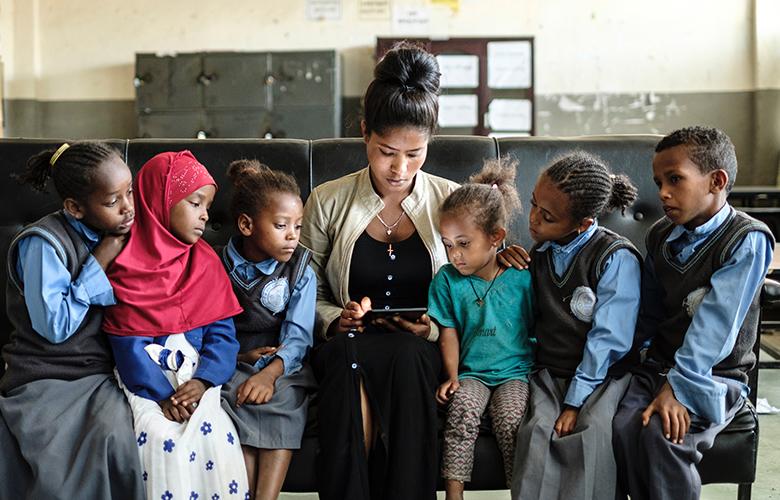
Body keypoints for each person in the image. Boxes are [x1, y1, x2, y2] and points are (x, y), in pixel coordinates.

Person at [300, 41, 458, 500]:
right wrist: (335, 319)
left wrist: (434, 326)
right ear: (365, 131)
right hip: (344, 341)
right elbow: (302, 289)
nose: (400, 169)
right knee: (350, 358)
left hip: (420, 345)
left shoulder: (451, 200)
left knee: (408, 355)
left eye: (415, 153)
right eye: (388, 151)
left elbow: (474, 286)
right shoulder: (328, 200)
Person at [612, 126, 774, 500]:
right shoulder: (658, 235)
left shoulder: (747, 239)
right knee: (620, 427)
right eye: (658, 182)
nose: (663, 193)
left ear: (716, 181)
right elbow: (648, 314)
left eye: (675, 180)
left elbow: (715, 327)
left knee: (665, 436)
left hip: (715, 375)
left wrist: (678, 391)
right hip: (658, 366)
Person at [0, 141, 144, 499]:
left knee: (120, 437)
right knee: (69, 455)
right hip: (45, 372)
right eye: (113, 202)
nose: (128, 208)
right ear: (75, 208)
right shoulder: (43, 244)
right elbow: (54, 327)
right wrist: (101, 260)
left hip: (99, 370)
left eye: (130, 192)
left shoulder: (124, 232)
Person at [102, 150, 248, 500]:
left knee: (213, 432)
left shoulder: (207, 263)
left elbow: (223, 336)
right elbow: (128, 345)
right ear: (159, 203)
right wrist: (164, 396)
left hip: (198, 378)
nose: (204, 216)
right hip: (147, 382)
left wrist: (202, 381)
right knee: (158, 436)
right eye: (195, 203)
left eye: (208, 207)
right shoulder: (125, 265)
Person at [511, 152, 642, 500]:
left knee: (592, 432)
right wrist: (500, 265)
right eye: (533, 204)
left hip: (604, 375)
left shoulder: (615, 257)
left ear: (582, 224)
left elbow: (608, 341)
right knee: (537, 432)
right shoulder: (539, 255)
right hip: (550, 372)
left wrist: (574, 402)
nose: (533, 221)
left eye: (547, 216)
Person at [429, 158, 535, 500]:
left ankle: (520, 492)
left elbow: (539, 327)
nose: (454, 255)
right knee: (461, 412)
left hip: (515, 372)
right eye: (447, 244)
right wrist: (452, 376)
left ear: (496, 238)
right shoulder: (446, 280)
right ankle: (453, 495)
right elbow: (448, 331)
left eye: (463, 243)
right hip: (472, 373)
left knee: (510, 420)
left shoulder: (521, 277)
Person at [219, 159, 317, 500]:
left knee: (284, 399)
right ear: (246, 225)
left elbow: (299, 336)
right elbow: (211, 330)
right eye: (281, 225)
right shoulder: (217, 266)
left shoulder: (301, 268)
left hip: (283, 361)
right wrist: (240, 358)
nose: (292, 236)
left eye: (298, 226)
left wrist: (269, 374)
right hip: (231, 357)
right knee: (234, 398)